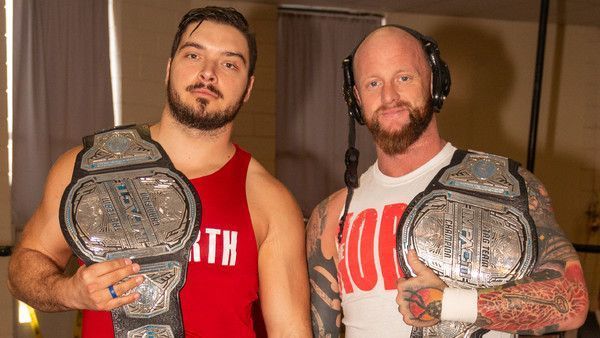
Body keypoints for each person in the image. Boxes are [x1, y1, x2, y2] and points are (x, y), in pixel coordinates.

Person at [8, 6, 310, 337]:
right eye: (193, 55)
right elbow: (25, 266)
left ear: (249, 88)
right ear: (169, 69)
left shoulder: (271, 202)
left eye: (229, 64)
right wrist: (70, 292)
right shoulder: (88, 168)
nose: (208, 73)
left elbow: (290, 331)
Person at [307, 25, 589, 337]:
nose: (389, 96)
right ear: (356, 99)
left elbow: (572, 303)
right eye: (373, 83)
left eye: (404, 77)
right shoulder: (331, 215)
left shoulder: (507, 185)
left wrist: (451, 304)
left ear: (434, 81)